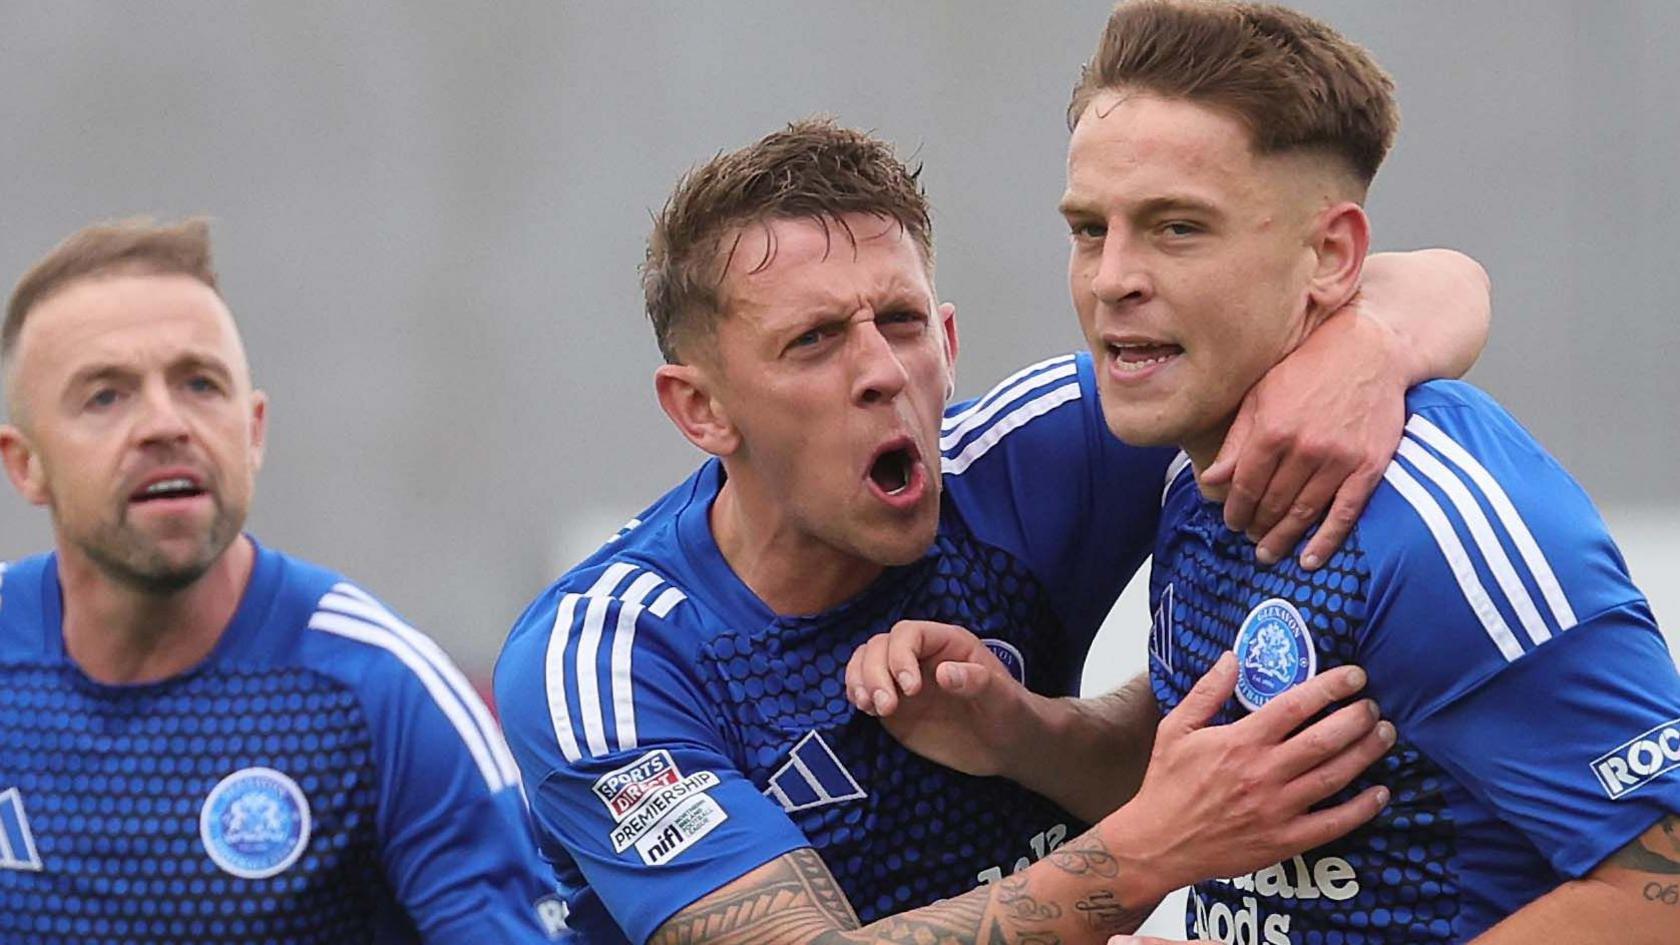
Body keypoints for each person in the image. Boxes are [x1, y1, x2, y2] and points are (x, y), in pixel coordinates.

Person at [493, 117, 1491, 945]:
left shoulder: (1030, 460)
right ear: (701, 410)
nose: (881, 371)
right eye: (814, 341)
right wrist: (1153, 845)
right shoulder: (610, 660)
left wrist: (1362, 348)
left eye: (902, 321)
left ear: (951, 342)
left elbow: (1440, 280)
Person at [859, 2, 1680, 942]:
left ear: (1331, 255)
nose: (1112, 277)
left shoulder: (1431, 517)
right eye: (1090, 229)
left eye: (1176, 229)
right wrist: (1024, 736)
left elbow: (1663, 881)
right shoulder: (1195, 462)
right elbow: (1230, 781)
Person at [0, 219, 563, 944]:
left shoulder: (380, 691)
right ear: (25, 464)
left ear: (254, 430)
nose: (164, 423)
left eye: (200, 383)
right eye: (105, 396)